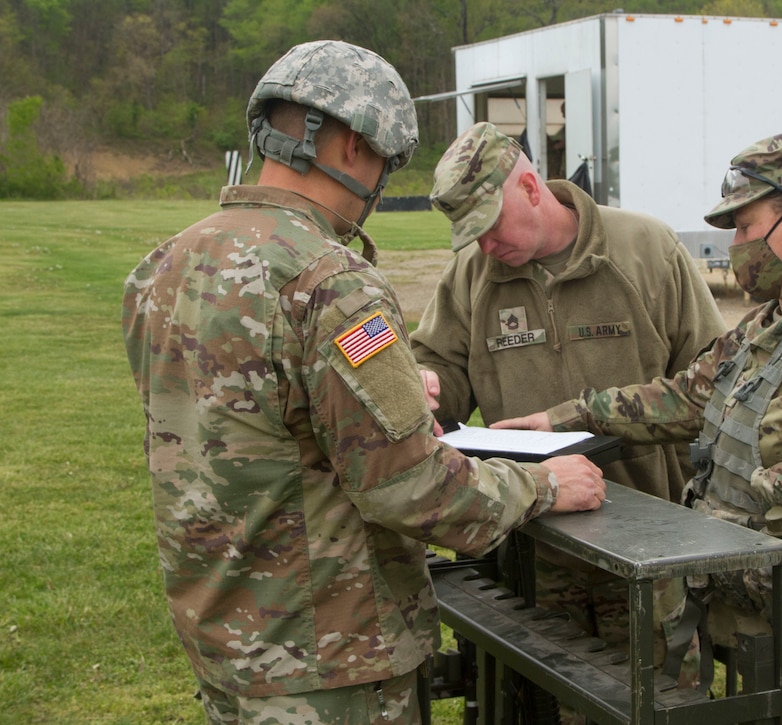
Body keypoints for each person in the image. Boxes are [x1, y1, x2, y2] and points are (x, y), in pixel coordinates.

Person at [120, 41, 606, 725]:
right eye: (385, 161)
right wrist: (545, 485)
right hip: (330, 660)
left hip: (226, 644)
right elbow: (409, 485)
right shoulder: (330, 280)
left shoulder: (162, 267)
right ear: (353, 146)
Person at [494, 127, 782, 725]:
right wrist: (563, 418)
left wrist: (759, 493)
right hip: (771, 626)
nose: (736, 245)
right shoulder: (766, 327)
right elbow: (684, 397)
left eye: (746, 227)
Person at [412, 122, 726, 691]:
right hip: (532, 545)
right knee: (543, 700)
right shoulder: (472, 274)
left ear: (532, 189)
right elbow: (442, 370)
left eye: (489, 226)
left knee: (659, 698)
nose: (484, 246)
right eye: (470, 235)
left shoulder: (645, 250)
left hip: (654, 552)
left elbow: (716, 385)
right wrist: (430, 381)